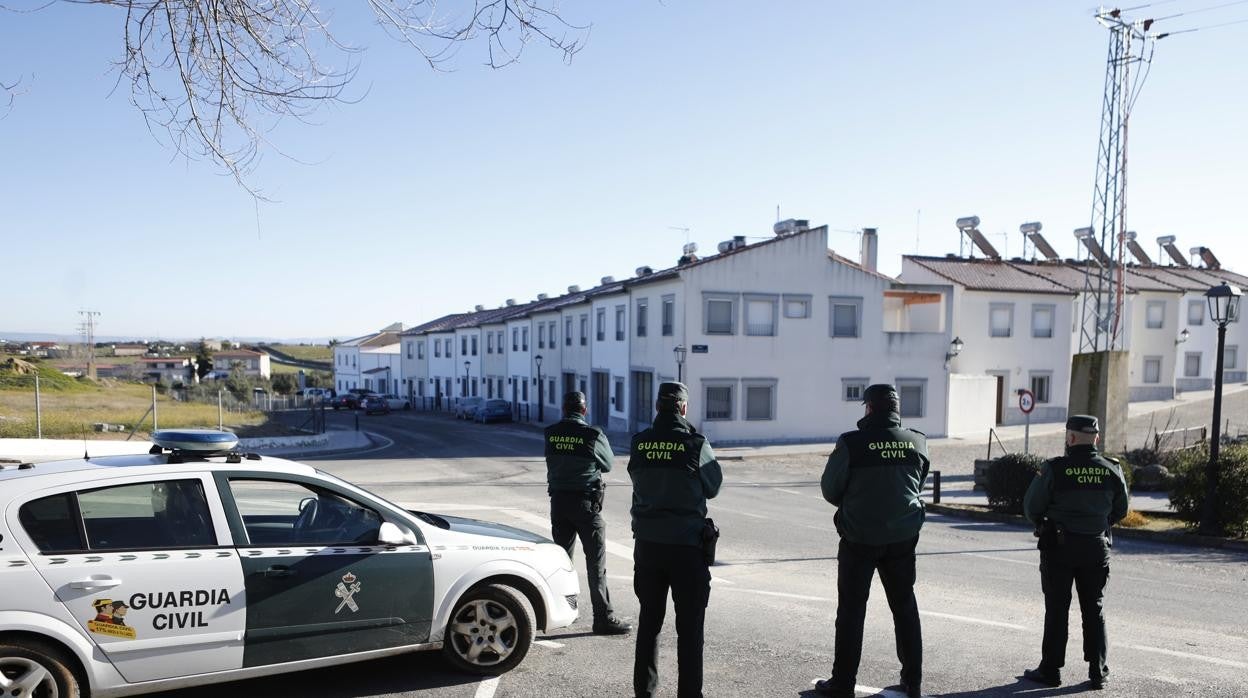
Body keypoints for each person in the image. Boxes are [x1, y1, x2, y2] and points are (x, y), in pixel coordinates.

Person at [816, 384, 929, 698]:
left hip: (859, 537)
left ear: (868, 409)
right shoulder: (917, 442)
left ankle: (843, 683)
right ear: (895, 410)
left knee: (852, 611)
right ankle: (913, 680)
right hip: (902, 538)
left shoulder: (852, 443)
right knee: (904, 606)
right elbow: (917, 482)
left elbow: (830, 489)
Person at [628, 382, 722, 698]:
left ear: (658, 407)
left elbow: (637, 477)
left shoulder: (640, 443)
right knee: (690, 630)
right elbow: (714, 485)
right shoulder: (695, 444)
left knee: (649, 625)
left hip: (648, 548)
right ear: (683, 408)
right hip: (686, 549)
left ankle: (645, 692)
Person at [1022, 415, 1129, 690]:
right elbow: (1121, 509)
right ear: (1096, 438)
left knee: (1057, 608)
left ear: (1070, 438)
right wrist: (1098, 521)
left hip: (1059, 547)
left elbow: (1032, 506)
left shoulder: (1055, 469)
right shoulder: (1111, 469)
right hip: (1096, 546)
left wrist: (1043, 522)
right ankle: (1098, 670)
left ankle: (1051, 670)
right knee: (1094, 608)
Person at [544, 391, 631, 635]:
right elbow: (608, 464)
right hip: (585, 506)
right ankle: (602, 618)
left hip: (559, 503)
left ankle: (558, 612)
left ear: (563, 409)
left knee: (562, 562)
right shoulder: (592, 435)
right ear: (584, 410)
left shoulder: (551, 433)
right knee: (596, 565)